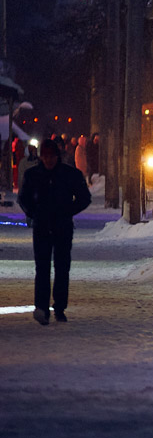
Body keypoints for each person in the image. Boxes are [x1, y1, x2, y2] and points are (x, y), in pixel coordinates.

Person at [17, 139, 92, 325]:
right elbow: (23, 198)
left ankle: (59, 307)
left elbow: (84, 198)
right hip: (42, 227)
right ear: (41, 156)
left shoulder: (69, 174)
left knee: (61, 267)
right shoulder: (33, 175)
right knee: (42, 268)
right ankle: (42, 308)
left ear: (57, 156)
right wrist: (34, 213)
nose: (48, 160)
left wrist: (67, 211)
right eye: (45, 156)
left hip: (62, 226)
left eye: (51, 156)